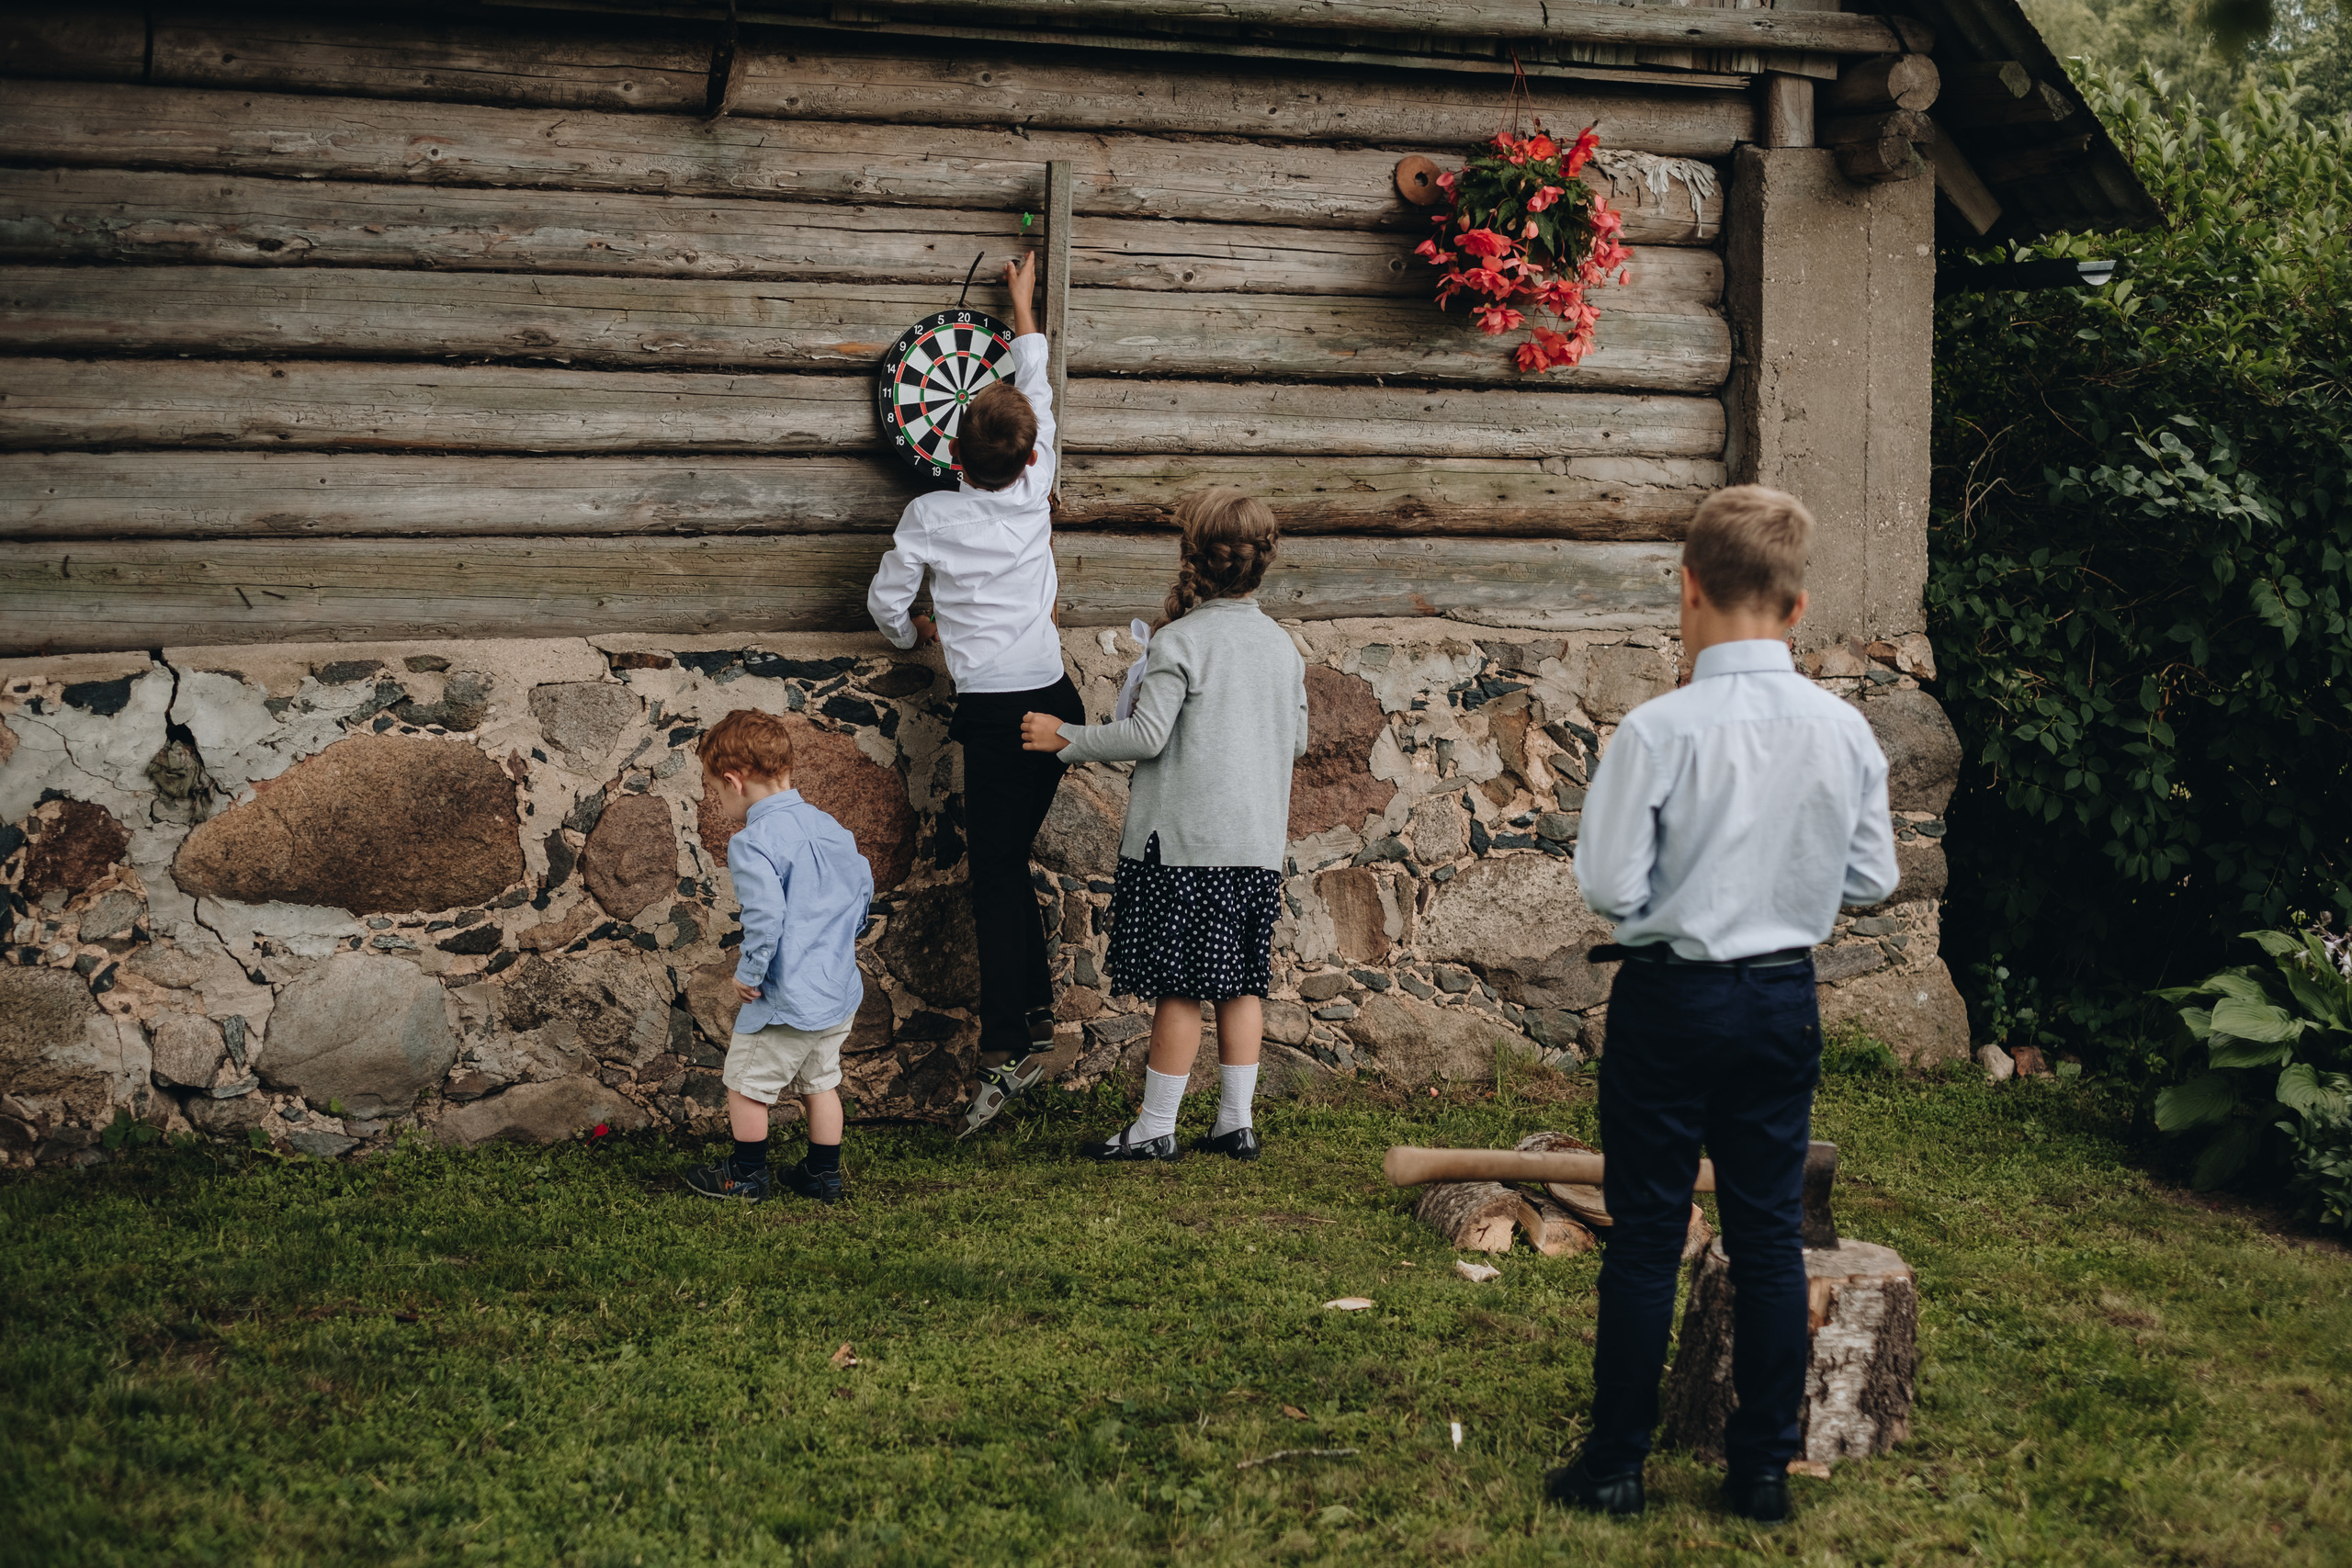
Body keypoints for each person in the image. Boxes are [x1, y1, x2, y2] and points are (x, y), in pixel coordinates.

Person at [1548, 485, 1898, 1524]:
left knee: (1649, 1233)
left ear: (1687, 589)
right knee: (1765, 1239)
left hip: (1670, 1000)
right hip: (1781, 998)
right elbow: (1874, 879)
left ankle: (1616, 1464)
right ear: (1796, 609)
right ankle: (1757, 1470)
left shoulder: (1656, 731)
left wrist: (1685, 899)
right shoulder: (1841, 731)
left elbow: (1609, 889)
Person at [1019, 489, 1308, 1161]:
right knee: (1240, 983)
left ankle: (1155, 1126)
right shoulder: (1282, 648)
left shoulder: (1181, 642)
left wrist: (1065, 735)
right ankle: (1235, 1123)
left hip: (1182, 847)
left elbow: (1147, 735)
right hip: (1255, 848)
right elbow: (1293, 741)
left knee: (1180, 987)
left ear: (1195, 557)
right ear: (1261, 562)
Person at [866, 252, 1079, 1136]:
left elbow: (884, 599)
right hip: (1057, 702)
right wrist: (1023, 303)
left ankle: (1005, 1049)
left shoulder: (929, 517)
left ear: (948, 450)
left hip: (995, 714)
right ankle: (1032, 1023)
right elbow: (1037, 378)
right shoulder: (1036, 491)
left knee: (994, 871)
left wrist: (910, 631)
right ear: (1030, 454)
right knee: (1010, 860)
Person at [684, 709, 875, 1204]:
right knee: (821, 1080)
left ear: (734, 780)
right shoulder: (830, 826)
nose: (719, 799)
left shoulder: (752, 842)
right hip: (836, 988)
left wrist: (750, 973)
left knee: (745, 1085)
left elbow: (766, 918)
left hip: (785, 995)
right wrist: (840, 941)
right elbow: (861, 888)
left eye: (716, 790)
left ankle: (746, 1175)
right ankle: (821, 1175)